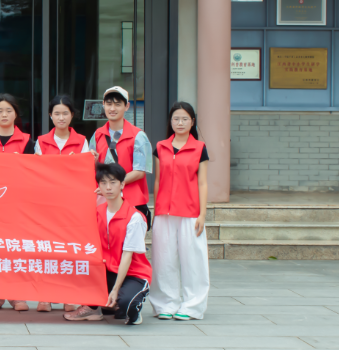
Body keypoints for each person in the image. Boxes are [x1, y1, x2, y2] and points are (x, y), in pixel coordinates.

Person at [64, 162, 150, 325]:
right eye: (103, 183)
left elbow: (127, 256)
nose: (108, 187)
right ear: (98, 187)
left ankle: (128, 305)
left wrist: (116, 289)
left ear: (122, 184)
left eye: (113, 182)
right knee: (74, 264)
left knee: (126, 307)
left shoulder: (134, 217)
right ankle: (93, 308)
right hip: (106, 270)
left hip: (132, 273)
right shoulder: (97, 212)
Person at [150, 102, 210, 321]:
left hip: (190, 212)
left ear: (192, 122)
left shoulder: (200, 147)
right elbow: (158, 180)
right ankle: (166, 304)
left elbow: (202, 183)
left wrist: (202, 214)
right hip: (164, 213)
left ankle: (192, 306)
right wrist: (157, 209)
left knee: (193, 261)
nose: (180, 123)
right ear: (170, 121)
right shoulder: (161, 147)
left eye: (185, 119)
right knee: (163, 260)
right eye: (176, 118)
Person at [0, 94, 33, 312]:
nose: (4, 114)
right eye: (0, 110)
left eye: (9, 110)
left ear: (16, 114)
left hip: (17, 205)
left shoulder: (27, 141)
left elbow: (32, 173)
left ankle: (17, 295)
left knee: (16, 249)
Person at [34, 94, 87, 312]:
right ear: (50, 115)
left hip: (72, 205)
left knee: (68, 251)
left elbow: (85, 173)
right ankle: (45, 296)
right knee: (46, 250)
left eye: (65, 113)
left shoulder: (82, 141)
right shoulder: (41, 141)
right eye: (57, 113)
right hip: (47, 205)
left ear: (72, 115)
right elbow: (37, 173)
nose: (61, 117)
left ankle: (68, 296)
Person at [89, 86, 153, 229]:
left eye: (118, 104)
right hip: (104, 202)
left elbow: (139, 171)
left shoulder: (138, 136)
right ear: (103, 105)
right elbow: (91, 166)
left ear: (127, 106)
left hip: (132, 201)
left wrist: (113, 184)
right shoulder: (98, 135)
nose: (112, 108)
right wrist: (93, 161)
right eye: (109, 104)